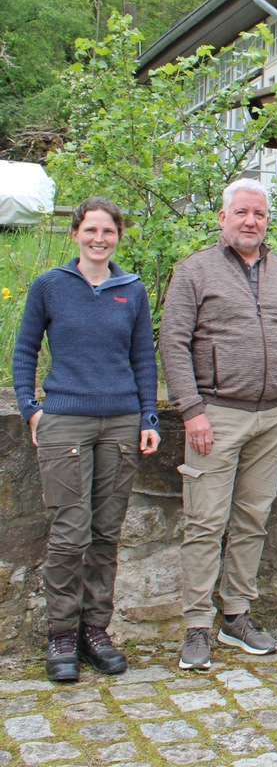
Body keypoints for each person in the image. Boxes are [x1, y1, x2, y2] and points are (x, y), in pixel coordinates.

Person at [160, 178, 277, 671]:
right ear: (223, 217)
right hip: (215, 416)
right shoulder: (194, 271)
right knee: (205, 523)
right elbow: (173, 344)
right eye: (242, 212)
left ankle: (236, 616)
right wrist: (191, 409)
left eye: (260, 214)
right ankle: (196, 626)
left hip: (272, 415)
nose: (251, 221)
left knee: (251, 520)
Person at [13, 198, 161, 681]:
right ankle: (61, 635)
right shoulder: (50, 286)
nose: (99, 238)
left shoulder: (131, 289)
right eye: (91, 230)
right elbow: (25, 349)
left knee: (105, 534)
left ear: (118, 236)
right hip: (65, 422)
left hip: (119, 423)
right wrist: (29, 407)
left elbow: (143, 359)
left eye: (109, 231)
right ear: (75, 232)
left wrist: (148, 417)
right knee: (68, 533)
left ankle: (95, 631)